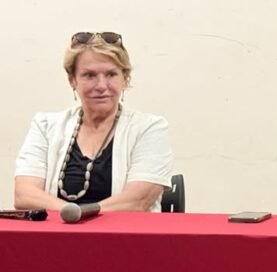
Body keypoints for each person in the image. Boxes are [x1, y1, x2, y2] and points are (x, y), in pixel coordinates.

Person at [14, 31, 173, 213]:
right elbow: (24, 195)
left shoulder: (150, 128)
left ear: (125, 78)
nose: (101, 85)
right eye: (89, 75)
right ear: (72, 80)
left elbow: (137, 201)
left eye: (111, 74)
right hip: (58, 237)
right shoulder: (45, 125)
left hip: (125, 237)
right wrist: (73, 216)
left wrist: (78, 215)